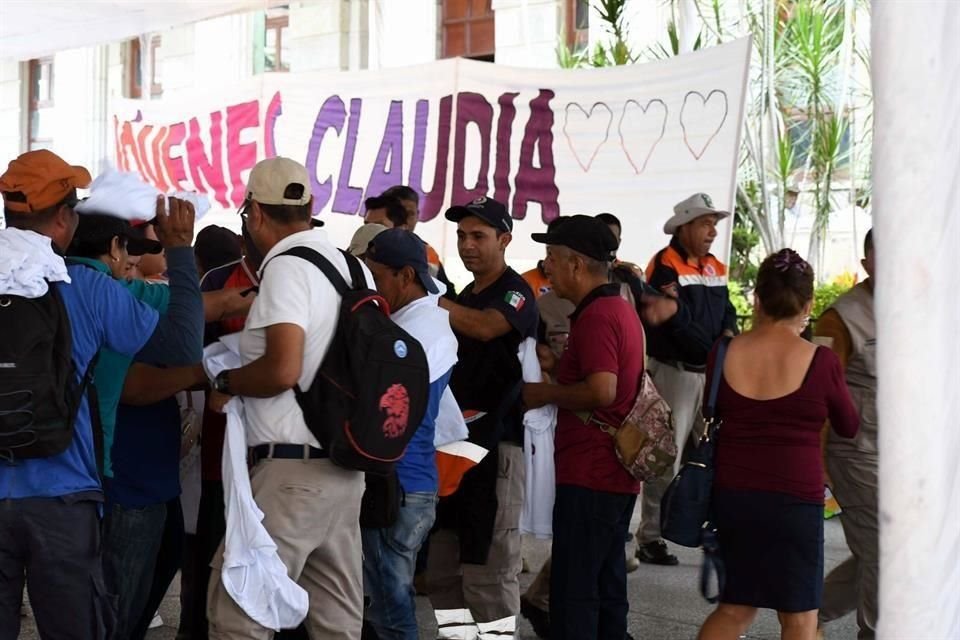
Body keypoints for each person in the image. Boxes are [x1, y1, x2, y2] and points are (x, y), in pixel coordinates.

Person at [0, 149, 203, 639]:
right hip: (64, 499)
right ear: (66, 219)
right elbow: (181, 343)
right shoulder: (86, 287)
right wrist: (179, 250)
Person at [206, 157, 373, 638]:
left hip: (291, 476)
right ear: (308, 207)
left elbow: (282, 369)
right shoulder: (354, 267)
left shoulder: (285, 267)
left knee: (239, 614)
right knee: (337, 623)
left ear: (254, 212)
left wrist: (226, 383)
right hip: (345, 467)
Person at [696, 249, 859, 640]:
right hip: (794, 500)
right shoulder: (821, 361)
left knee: (735, 608)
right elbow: (848, 425)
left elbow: (710, 408)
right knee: (799, 618)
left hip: (733, 495)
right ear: (807, 304)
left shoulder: (722, 352)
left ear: (756, 298)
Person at [521, 216, 644, 639]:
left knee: (574, 591)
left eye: (551, 258)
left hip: (592, 471)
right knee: (607, 586)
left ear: (575, 264)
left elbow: (602, 391)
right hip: (612, 473)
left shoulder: (596, 317)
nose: (546, 267)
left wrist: (544, 394)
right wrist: (560, 369)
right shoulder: (618, 308)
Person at [425, 196, 538, 640]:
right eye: (461, 236)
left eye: (478, 236)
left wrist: (429, 303)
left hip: (497, 449)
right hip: (453, 446)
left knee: (488, 574)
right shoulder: (463, 294)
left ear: (504, 239)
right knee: (443, 573)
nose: (467, 245)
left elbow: (486, 327)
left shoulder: (514, 291)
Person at [361, 229, 458, 639]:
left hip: (399, 487)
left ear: (405, 275)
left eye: (377, 275)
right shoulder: (417, 322)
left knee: (391, 607)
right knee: (384, 601)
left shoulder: (414, 332)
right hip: (409, 485)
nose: (372, 284)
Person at [635, 193, 739, 567]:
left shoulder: (716, 266)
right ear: (685, 227)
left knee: (716, 452)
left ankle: (711, 526)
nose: (712, 231)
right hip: (677, 372)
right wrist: (716, 348)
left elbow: (727, 310)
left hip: (709, 373)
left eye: (714, 224)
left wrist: (729, 334)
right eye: (705, 223)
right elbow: (676, 326)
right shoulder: (664, 265)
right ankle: (649, 536)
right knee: (667, 454)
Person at [816, 230, 878, 640]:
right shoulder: (841, 317)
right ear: (866, 261)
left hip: (906, 454)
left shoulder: (921, 307)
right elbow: (818, 392)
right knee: (886, 553)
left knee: (884, 552)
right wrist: (816, 460)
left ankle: (809, 614)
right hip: (856, 454)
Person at [381, 185, 456, 297]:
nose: (405, 219)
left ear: (417, 215)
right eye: (399, 213)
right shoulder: (367, 248)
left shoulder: (428, 254)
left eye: (410, 214)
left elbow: (447, 297)